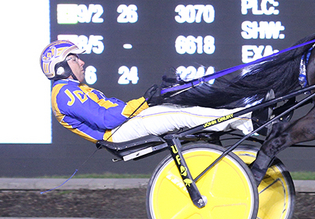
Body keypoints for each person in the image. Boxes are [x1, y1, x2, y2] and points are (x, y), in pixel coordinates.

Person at [40, 40, 254, 143]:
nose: (82, 62)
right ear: (61, 67)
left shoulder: (70, 90)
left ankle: (239, 114)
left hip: (121, 125)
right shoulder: (63, 94)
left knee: (179, 105)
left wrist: (148, 100)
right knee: (179, 115)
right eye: (74, 59)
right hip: (115, 132)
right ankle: (244, 120)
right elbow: (105, 119)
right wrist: (145, 101)